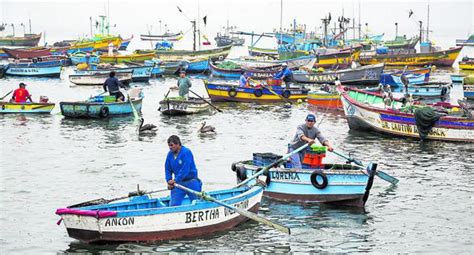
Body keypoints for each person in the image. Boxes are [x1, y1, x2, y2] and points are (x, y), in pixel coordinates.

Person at [165, 135, 202, 206]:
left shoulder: (186, 152)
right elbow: (167, 168)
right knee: (174, 205)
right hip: (179, 184)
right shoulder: (170, 154)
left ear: (178, 144)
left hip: (191, 182)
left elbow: (185, 169)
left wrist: (175, 180)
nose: (170, 147)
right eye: (169, 146)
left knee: (197, 203)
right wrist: (169, 180)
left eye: (172, 145)